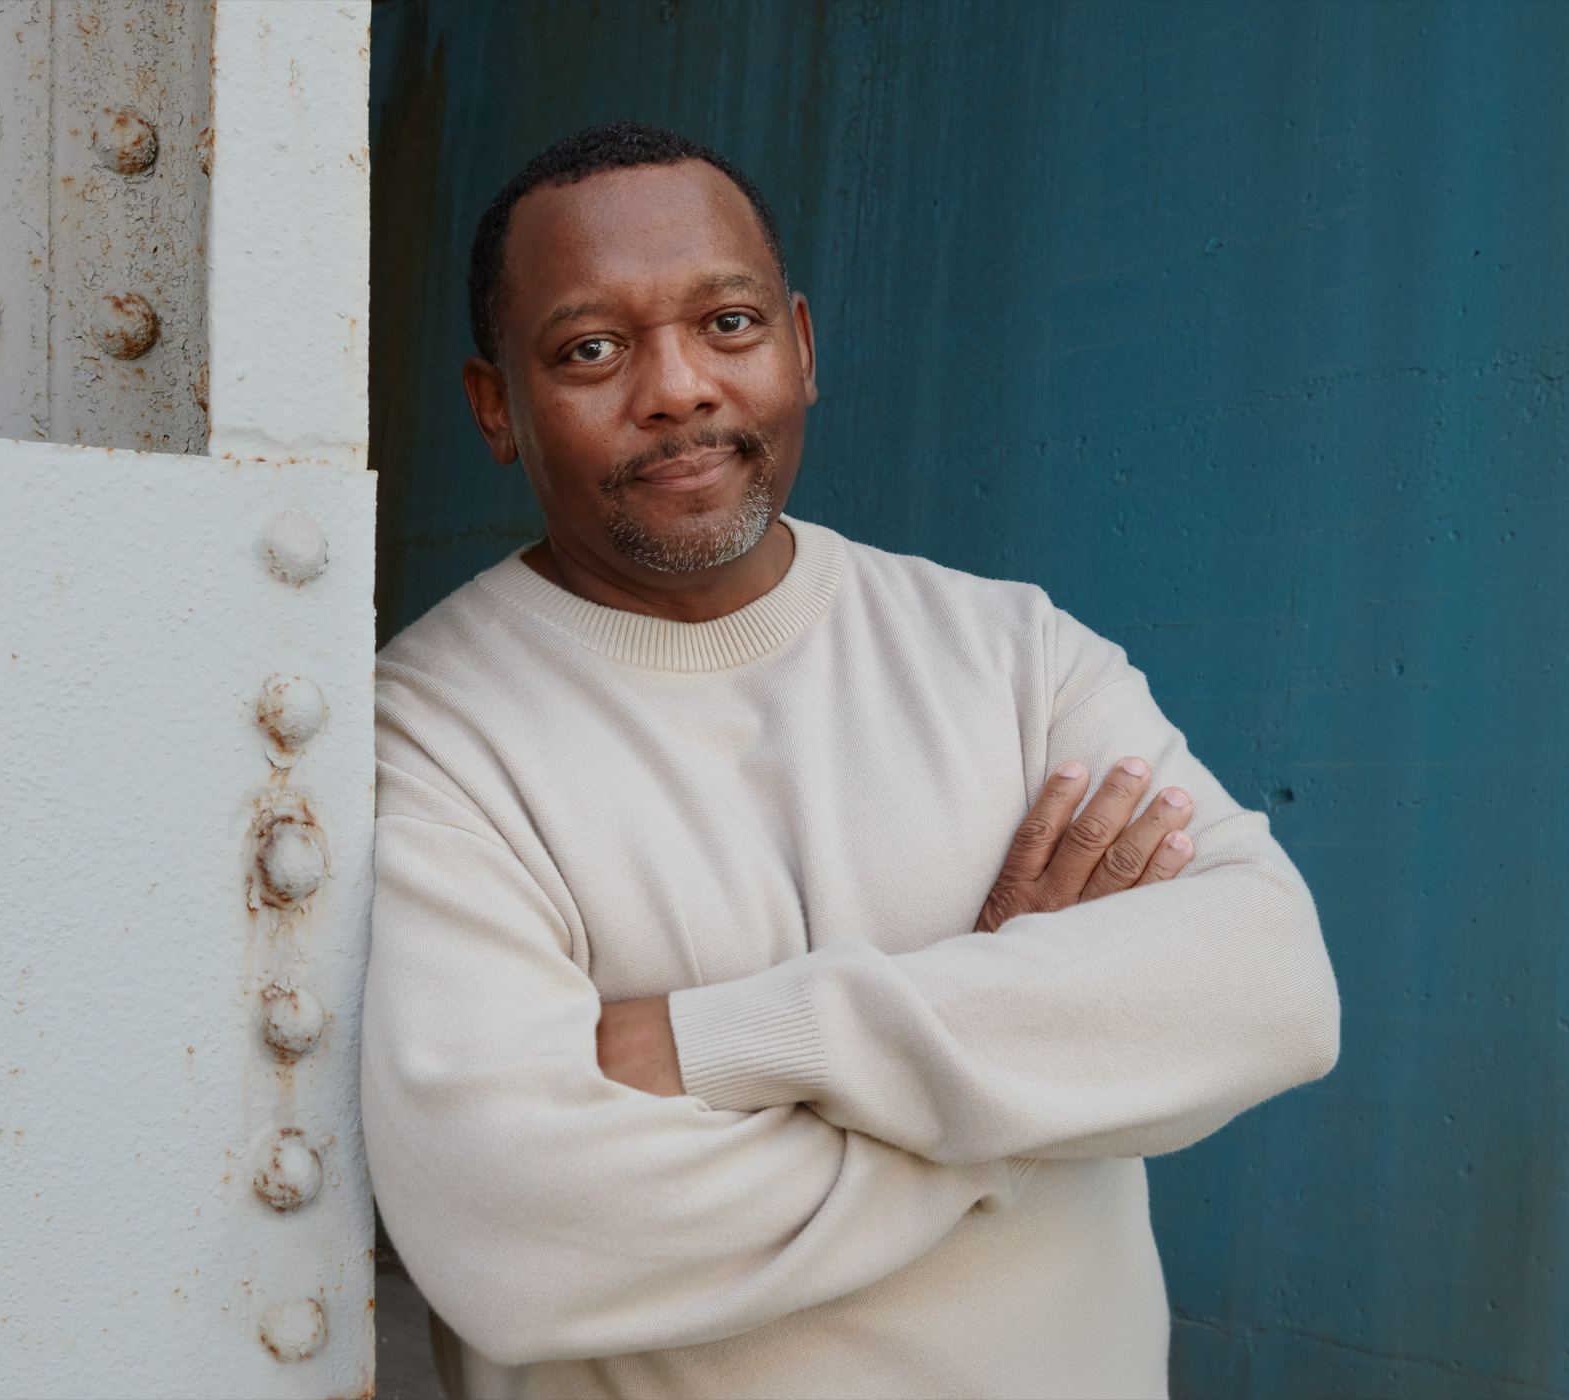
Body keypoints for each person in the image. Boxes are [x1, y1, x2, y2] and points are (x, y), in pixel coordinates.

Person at [364, 121, 1341, 1400]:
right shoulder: (425, 736)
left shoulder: (1013, 653)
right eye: (590, 348)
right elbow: (518, 1233)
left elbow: (1269, 982)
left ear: (802, 347)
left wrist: (720, 1042)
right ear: (496, 405)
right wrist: (1026, 1086)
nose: (677, 387)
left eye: (727, 323)